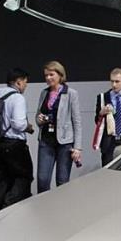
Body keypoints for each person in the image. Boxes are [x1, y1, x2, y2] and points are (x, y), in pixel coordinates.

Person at [0, 68, 34, 213]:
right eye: (25, 82)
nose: (26, 85)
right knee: (24, 177)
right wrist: (29, 127)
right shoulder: (18, 98)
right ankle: (7, 208)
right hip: (14, 145)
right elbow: (18, 123)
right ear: (18, 82)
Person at [35, 61, 82, 192]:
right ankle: (43, 209)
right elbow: (38, 116)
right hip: (46, 141)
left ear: (60, 75)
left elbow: (77, 121)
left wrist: (77, 148)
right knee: (43, 179)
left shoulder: (71, 93)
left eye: (51, 74)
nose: (48, 78)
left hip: (65, 143)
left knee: (62, 181)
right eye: (46, 75)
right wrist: (39, 119)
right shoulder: (44, 93)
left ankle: (61, 210)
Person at [94, 68, 121, 166]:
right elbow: (97, 121)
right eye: (112, 81)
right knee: (108, 171)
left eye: (117, 81)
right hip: (110, 141)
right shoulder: (103, 97)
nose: (114, 85)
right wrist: (101, 113)